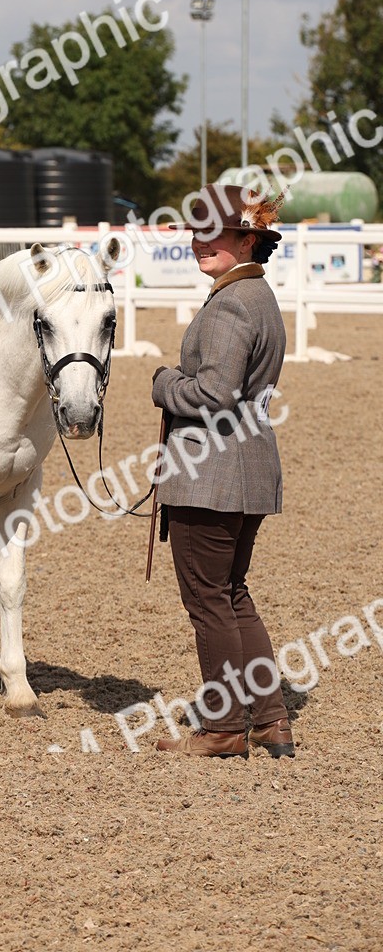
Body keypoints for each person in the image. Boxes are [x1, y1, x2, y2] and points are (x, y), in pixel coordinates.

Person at [150, 183, 294, 760]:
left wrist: (162, 383)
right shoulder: (260, 299)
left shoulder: (232, 304)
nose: (198, 242)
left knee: (209, 600)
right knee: (233, 595)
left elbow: (214, 392)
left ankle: (224, 726)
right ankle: (270, 719)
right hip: (250, 469)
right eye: (195, 232)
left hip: (211, 475)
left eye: (213, 234)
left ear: (247, 240)